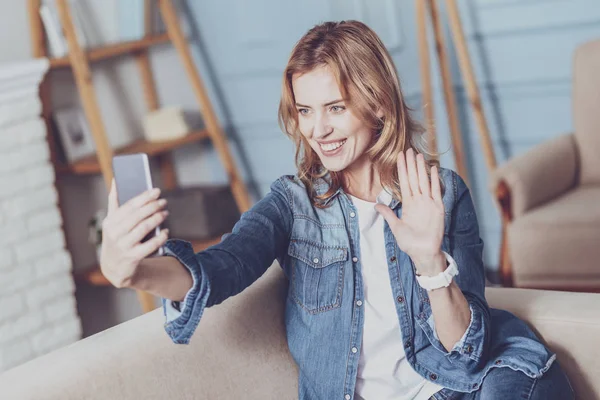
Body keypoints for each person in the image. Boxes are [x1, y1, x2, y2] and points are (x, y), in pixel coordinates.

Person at [100, 20, 574, 400]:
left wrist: (430, 261)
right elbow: (222, 268)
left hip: (465, 386)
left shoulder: (441, 193)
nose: (317, 129)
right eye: (305, 110)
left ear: (379, 107)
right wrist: (135, 272)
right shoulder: (293, 204)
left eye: (335, 107)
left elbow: (466, 354)